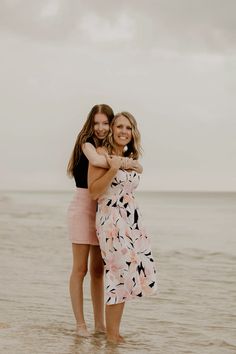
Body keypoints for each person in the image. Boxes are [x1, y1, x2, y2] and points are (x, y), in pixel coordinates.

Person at [67, 104, 142, 337]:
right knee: (80, 269)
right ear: (91, 124)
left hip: (104, 213)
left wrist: (128, 162)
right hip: (83, 207)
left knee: (98, 271)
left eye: (105, 123)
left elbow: (133, 166)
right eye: (96, 123)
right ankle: (81, 324)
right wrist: (123, 164)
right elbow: (99, 163)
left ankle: (100, 325)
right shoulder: (89, 145)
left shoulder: (110, 149)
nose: (101, 128)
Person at [88, 112, 157, 343]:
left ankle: (114, 333)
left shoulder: (129, 157)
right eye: (119, 126)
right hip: (110, 220)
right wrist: (112, 169)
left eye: (128, 127)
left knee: (128, 275)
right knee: (118, 274)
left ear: (133, 132)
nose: (123, 131)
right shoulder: (101, 155)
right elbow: (94, 191)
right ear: (112, 130)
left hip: (130, 221)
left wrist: (124, 165)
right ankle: (112, 336)